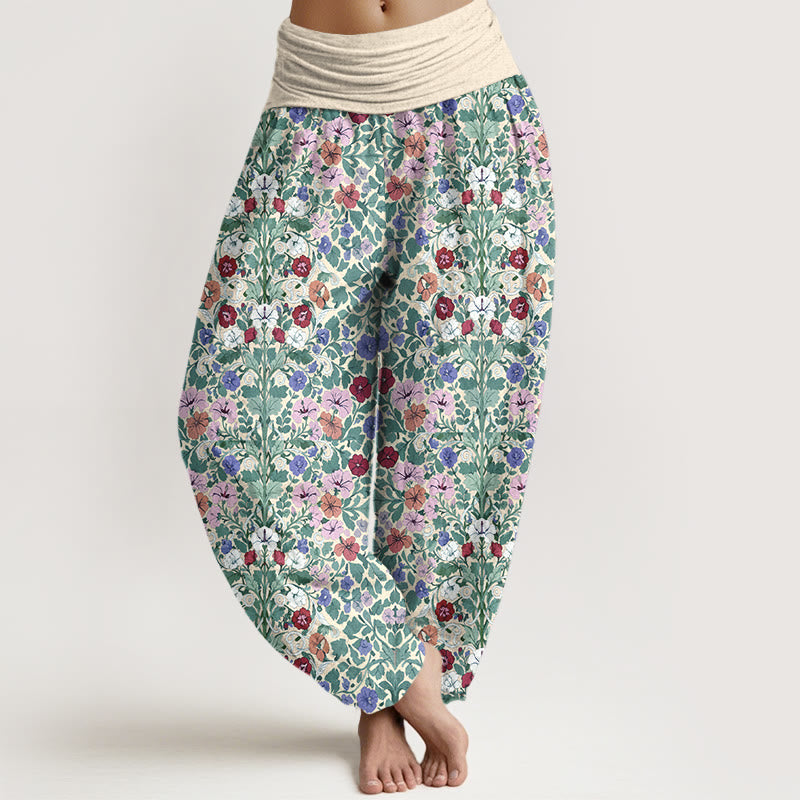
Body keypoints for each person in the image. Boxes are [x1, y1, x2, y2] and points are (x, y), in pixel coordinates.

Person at [176, 0, 556, 793]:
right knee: (233, 417)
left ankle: (383, 703)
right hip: (315, 107)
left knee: (449, 436)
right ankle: (396, 668)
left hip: (468, 109)